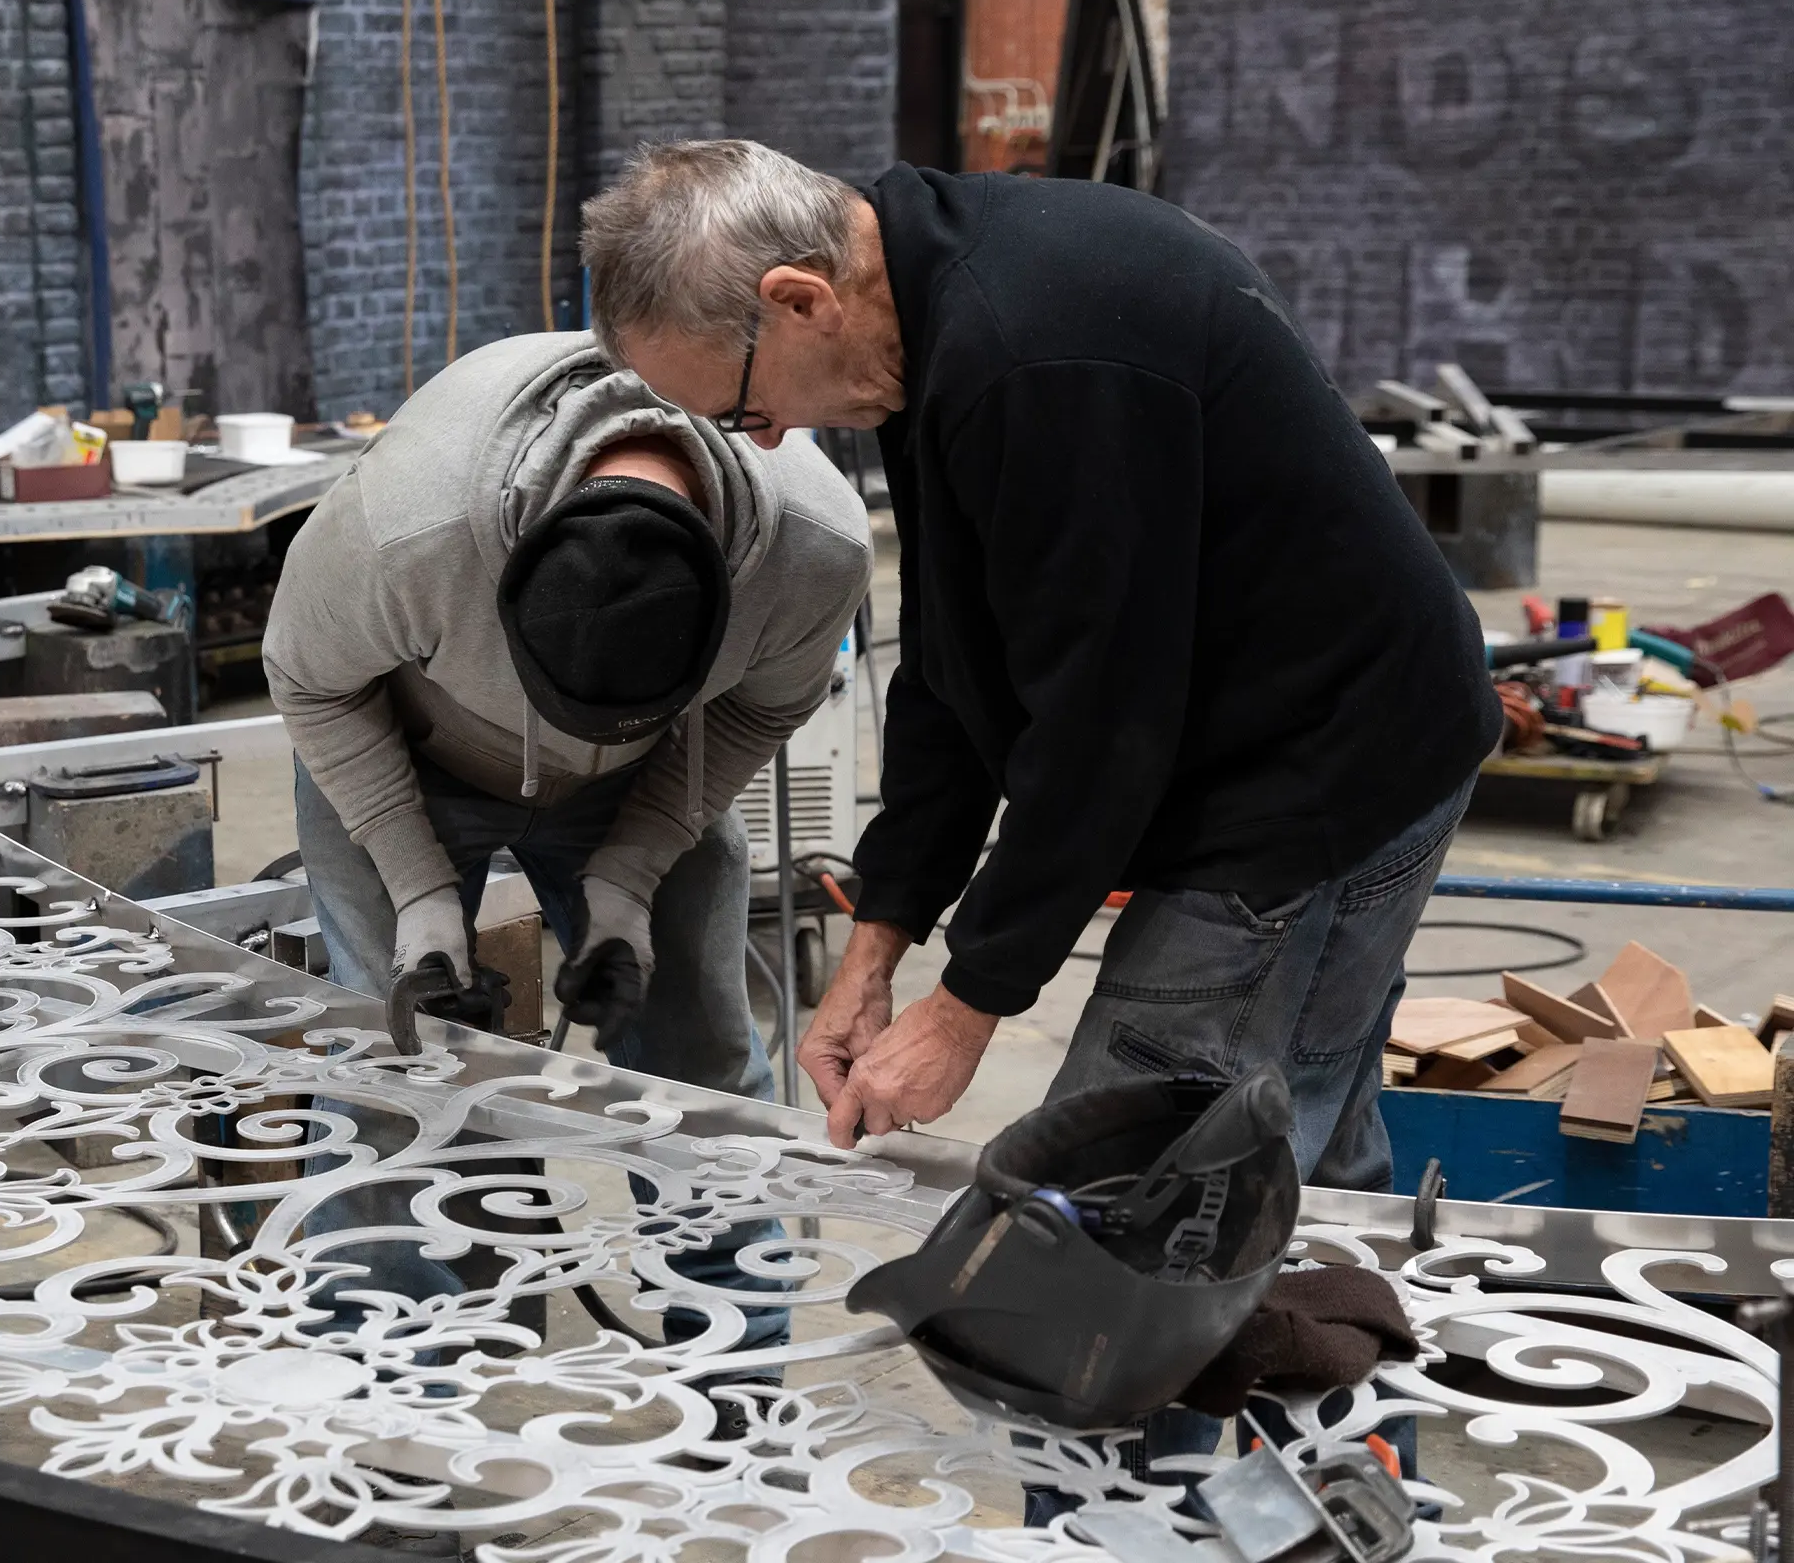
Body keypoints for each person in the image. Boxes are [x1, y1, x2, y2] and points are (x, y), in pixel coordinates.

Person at [580, 135, 1494, 1507]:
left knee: (1117, 1231)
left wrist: (969, 1008)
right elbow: (959, 673)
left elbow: (1101, 726)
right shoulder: (935, 312)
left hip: (1318, 770)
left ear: (798, 300)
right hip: (1293, 731)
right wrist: (883, 942)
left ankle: (1126, 1526)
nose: (761, 443)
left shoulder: (1036, 355)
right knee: (1300, 1150)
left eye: (742, 408)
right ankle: (1350, 1508)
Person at [262, 329, 872, 1352]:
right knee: (384, 1072)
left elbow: (757, 715)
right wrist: (417, 892)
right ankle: (394, 1409)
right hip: (404, 747)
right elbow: (308, 678)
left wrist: (629, 878)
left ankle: (734, 1403)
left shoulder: (816, 548)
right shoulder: (409, 526)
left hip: (657, 770)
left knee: (698, 1083)